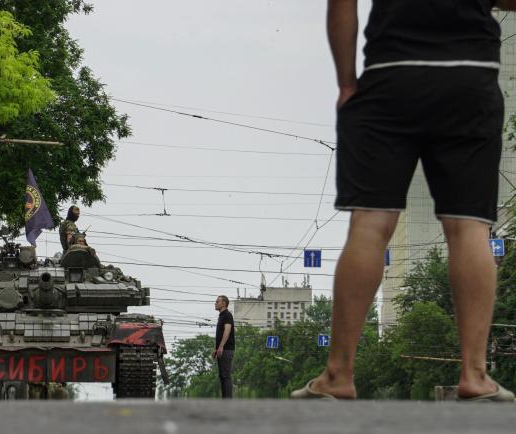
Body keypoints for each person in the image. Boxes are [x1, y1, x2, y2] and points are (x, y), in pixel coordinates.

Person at [291, 0, 516, 402]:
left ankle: (339, 375)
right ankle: (475, 375)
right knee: (469, 226)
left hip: (389, 75)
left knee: (371, 225)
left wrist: (347, 82)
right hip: (470, 77)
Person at [212, 295, 235, 399]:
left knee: (226, 375)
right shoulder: (221, 316)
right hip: (222, 349)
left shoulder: (227, 315)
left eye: (217, 301)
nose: (215, 303)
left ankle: (228, 400)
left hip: (227, 349)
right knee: (222, 376)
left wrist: (221, 347)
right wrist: (215, 349)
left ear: (224, 303)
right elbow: (219, 334)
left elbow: (227, 330)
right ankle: (224, 399)